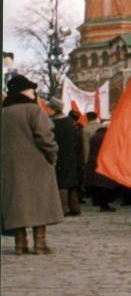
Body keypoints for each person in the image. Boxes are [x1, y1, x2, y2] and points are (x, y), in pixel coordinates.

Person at [1, 74, 63, 255]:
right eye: (31, 90)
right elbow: (45, 137)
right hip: (36, 164)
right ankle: (40, 244)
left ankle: (20, 244)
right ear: (25, 92)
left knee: (17, 203)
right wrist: (52, 156)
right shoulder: (34, 110)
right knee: (39, 202)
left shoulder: (4, 112)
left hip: (10, 166)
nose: (34, 94)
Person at [51, 98, 84, 217]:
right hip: (72, 155)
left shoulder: (53, 123)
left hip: (59, 155)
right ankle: (75, 207)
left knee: (62, 182)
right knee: (72, 182)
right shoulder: (71, 123)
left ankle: (63, 208)